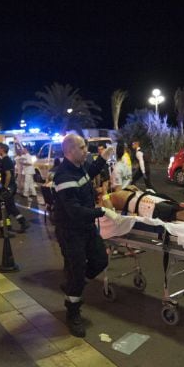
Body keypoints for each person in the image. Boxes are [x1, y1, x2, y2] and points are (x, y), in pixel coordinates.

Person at [52, 133, 115, 337]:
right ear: (69, 151)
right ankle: (73, 312)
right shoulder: (64, 177)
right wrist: (102, 211)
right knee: (77, 273)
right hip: (71, 232)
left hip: (86, 228)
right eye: (81, 147)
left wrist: (104, 158)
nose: (85, 150)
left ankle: (74, 282)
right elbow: (74, 211)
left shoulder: (79, 168)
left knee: (100, 260)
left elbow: (90, 171)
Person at [0, 143, 29, 232]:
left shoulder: (5, 160)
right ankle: (8, 225)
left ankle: (23, 222)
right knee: (7, 206)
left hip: (9, 187)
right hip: (12, 186)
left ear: (2, 149)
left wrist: (5, 187)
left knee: (10, 206)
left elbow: (8, 175)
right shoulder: (8, 160)